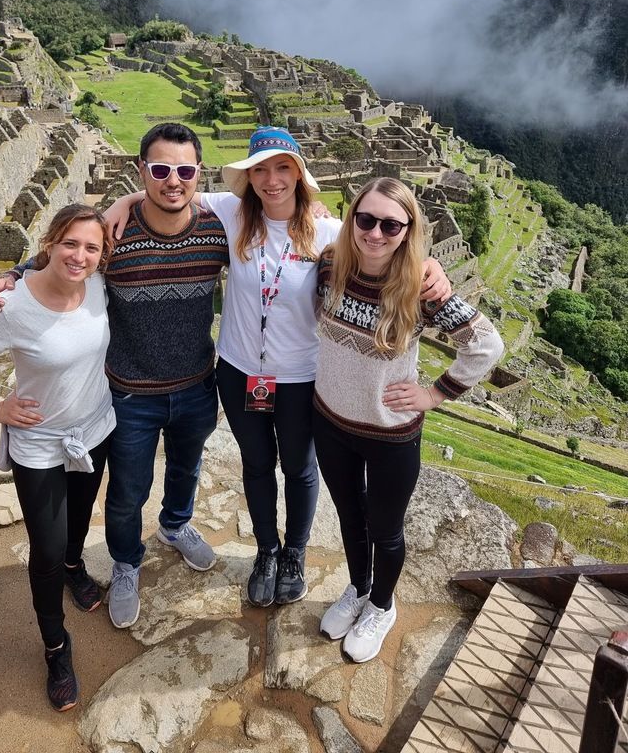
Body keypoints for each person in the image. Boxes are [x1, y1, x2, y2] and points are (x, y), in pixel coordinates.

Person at [107, 126, 450, 609]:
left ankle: (295, 553)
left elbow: (388, 250)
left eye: (282, 168)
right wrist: (119, 204)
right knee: (256, 464)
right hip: (238, 369)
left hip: (299, 376)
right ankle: (266, 550)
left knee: (299, 468)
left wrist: (432, 267)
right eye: (261, 170)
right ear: (248, 178)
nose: (271, 180)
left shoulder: (331, 233)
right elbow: (170, 187)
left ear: (299, 174)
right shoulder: (229, 214)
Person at [0, 123, 229, 632]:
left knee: (186, 469)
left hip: (197, 384)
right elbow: (68, 255)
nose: (173, 181)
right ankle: (125, 563)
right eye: (159, 170)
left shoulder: (217, 227)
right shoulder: (116, 235)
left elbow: (280, 206)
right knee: (126, 492)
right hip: (131, 393)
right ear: (143, 171)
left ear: (199, 173)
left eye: (184, 170)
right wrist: (14, 274)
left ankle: (176, 527)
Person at [313, 177, 504, 662]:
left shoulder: (420, 285)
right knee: (348, 517)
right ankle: (358, 588)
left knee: (385, 528)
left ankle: (381, 604)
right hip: (330, 419)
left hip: (389, 433)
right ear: (352, 218)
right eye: (366, 219)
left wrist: (435, 394)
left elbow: (485, 346)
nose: (375, 233)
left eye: (391, 224)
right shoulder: (330, 263)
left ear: (407, 230)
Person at [0, 204, 115, 711]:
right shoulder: (11, 305)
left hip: (95, 426)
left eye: (91, 247)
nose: (79, 256)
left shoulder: (99, 286)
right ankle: (56, 647)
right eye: (70, 244)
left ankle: (75, 568)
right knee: (45, 546)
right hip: (40, 441)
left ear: (102, 255)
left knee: (79, 522)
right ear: (50, 242)